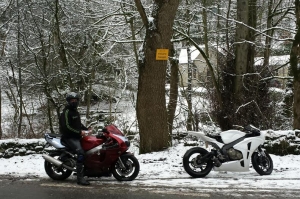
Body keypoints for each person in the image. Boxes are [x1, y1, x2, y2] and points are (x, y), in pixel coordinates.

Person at [59, 92, 91, 186]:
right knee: (81, 152)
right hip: (69, 137)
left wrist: (86, 129)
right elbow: (67, 127)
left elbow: (77, 124)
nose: (74, 102)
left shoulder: (75, 111)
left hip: (76, 136)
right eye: (72, 100)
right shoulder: (66, 112)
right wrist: (79, 132)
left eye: (76, 100)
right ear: (68, 101)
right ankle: (80, 178)